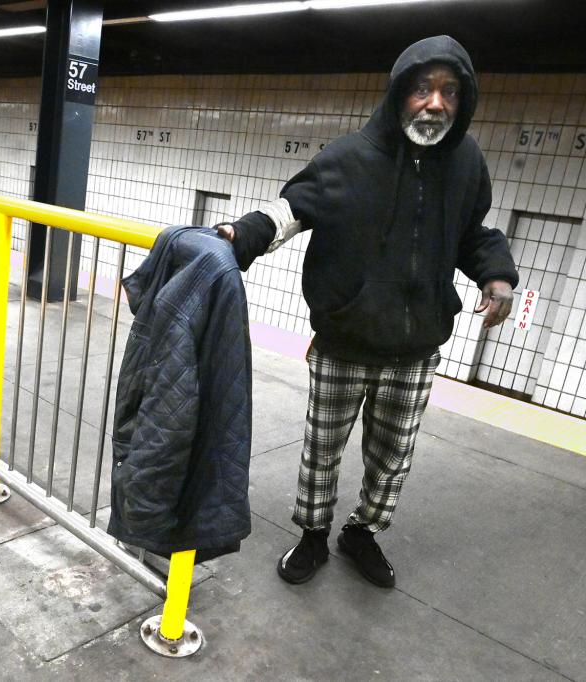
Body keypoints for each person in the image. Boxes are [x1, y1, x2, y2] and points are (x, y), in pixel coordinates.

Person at [217, 35, 518, 588]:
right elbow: (293, 209)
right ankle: (312, 536)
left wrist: (496, 274)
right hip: (345, 339)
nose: (436, 103)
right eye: (423, 88)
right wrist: (243, 235)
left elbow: (472, 234)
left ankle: (362, 533)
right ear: (400, 92)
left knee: (392, 457)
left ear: (464, 100)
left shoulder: (467, 163)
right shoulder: (348, 157)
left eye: (450, 92)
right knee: (322, 449)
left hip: (417, 347)